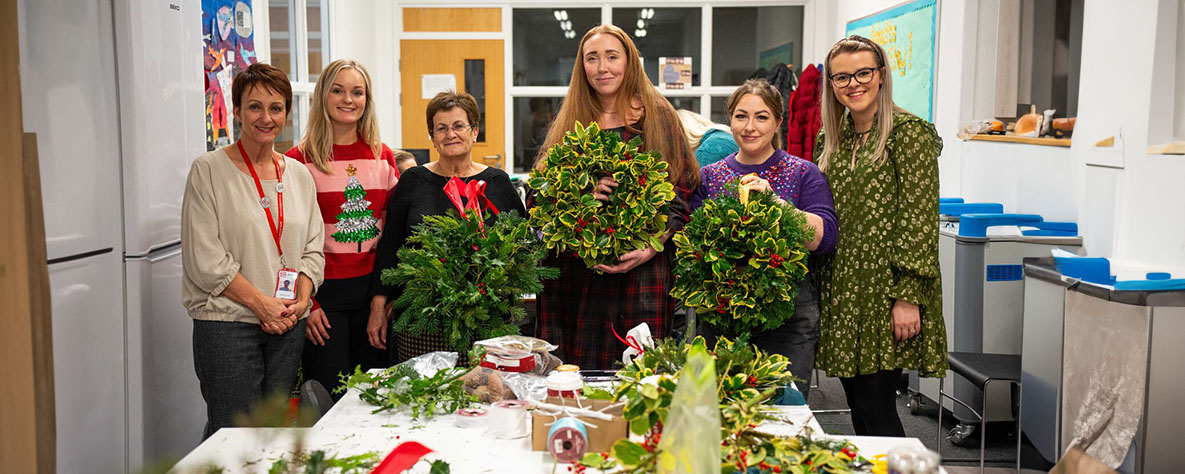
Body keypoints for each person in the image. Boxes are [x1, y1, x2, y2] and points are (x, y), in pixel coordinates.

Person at [532, 25, 700, 370]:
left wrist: (651, 246)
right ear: (582, 66)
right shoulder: (570, 121)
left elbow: (681, 193)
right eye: (592, 58)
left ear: (630, 62)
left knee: (638, 374)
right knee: (575, 376)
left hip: (642, 274)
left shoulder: (658, 117)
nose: (602, 67)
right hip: (576, 272)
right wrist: (580, 196)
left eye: (612, 56)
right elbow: (539, 197)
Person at [181, 62, 325, 439]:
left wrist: (300, 300)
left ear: (287, 114)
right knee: (233, 435)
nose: (266, 117)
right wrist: (262, 304)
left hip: (287, 324)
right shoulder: (208, 170)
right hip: (229, 326)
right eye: (255, 107)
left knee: (273, 432)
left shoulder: (298, 174)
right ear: (238, 110)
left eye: (276, 108)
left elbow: (313, 249)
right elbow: (205, 260)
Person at [813, 35, 947, 436]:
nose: (853, 84)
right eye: (841, 77)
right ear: (831, 85)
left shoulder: (909, 134)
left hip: (886, 289)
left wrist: (908, 296)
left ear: (882, 75)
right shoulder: (831, 138)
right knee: (858, 405)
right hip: (842, 287)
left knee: (878, 405)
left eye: (863, 73)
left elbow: (919, 219)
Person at [689, 79, 838, 401]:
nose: (750, 127)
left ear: (777, 122)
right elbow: (693, 243)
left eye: (761, 117)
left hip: (788, 316)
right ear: (730, 120)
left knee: (784, 409)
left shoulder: (803, 173)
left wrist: (778, 206)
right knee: (719, 410)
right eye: (741, 116)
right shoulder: (710, 176)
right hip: (722, 313)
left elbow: (824, 239)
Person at [368, 91, 527, 362]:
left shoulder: (498, 182)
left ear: (474, 132)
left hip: (486, 317)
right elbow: (391, 246)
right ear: (432, 136)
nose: (450, 134)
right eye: (441, 128)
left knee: (484, 394)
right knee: (425, 395)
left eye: (458, 126)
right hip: (423, 319)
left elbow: (522, 244)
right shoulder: (413, 181)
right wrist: (378, 302)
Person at [284, 59, 398, 399]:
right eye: (338, 90)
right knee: (329, 398)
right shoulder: (297, 160)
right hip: (322, 298)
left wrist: (382, 299)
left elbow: (391, 236)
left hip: (371, 299)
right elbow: (285, 242)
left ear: (367, 100)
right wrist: (307, 304)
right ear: (323, 96)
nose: (348, 99)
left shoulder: (382, 157)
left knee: (373, 398)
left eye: (357, 92)